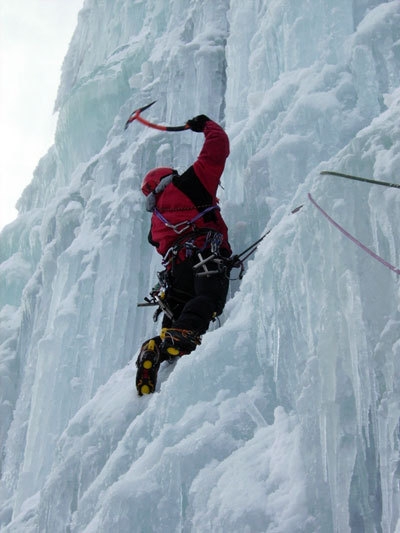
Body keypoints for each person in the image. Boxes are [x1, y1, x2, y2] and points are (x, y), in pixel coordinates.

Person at [136, 114, 232, 395]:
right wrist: (206, 125)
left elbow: (158, 244)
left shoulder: (155, 221)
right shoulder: (190, 183)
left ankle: (159, 348)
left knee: (179, 315)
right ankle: (182, 334)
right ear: (169, 178)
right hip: (205, 256)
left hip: (176, 274)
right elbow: (218, 147)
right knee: (208, 299)